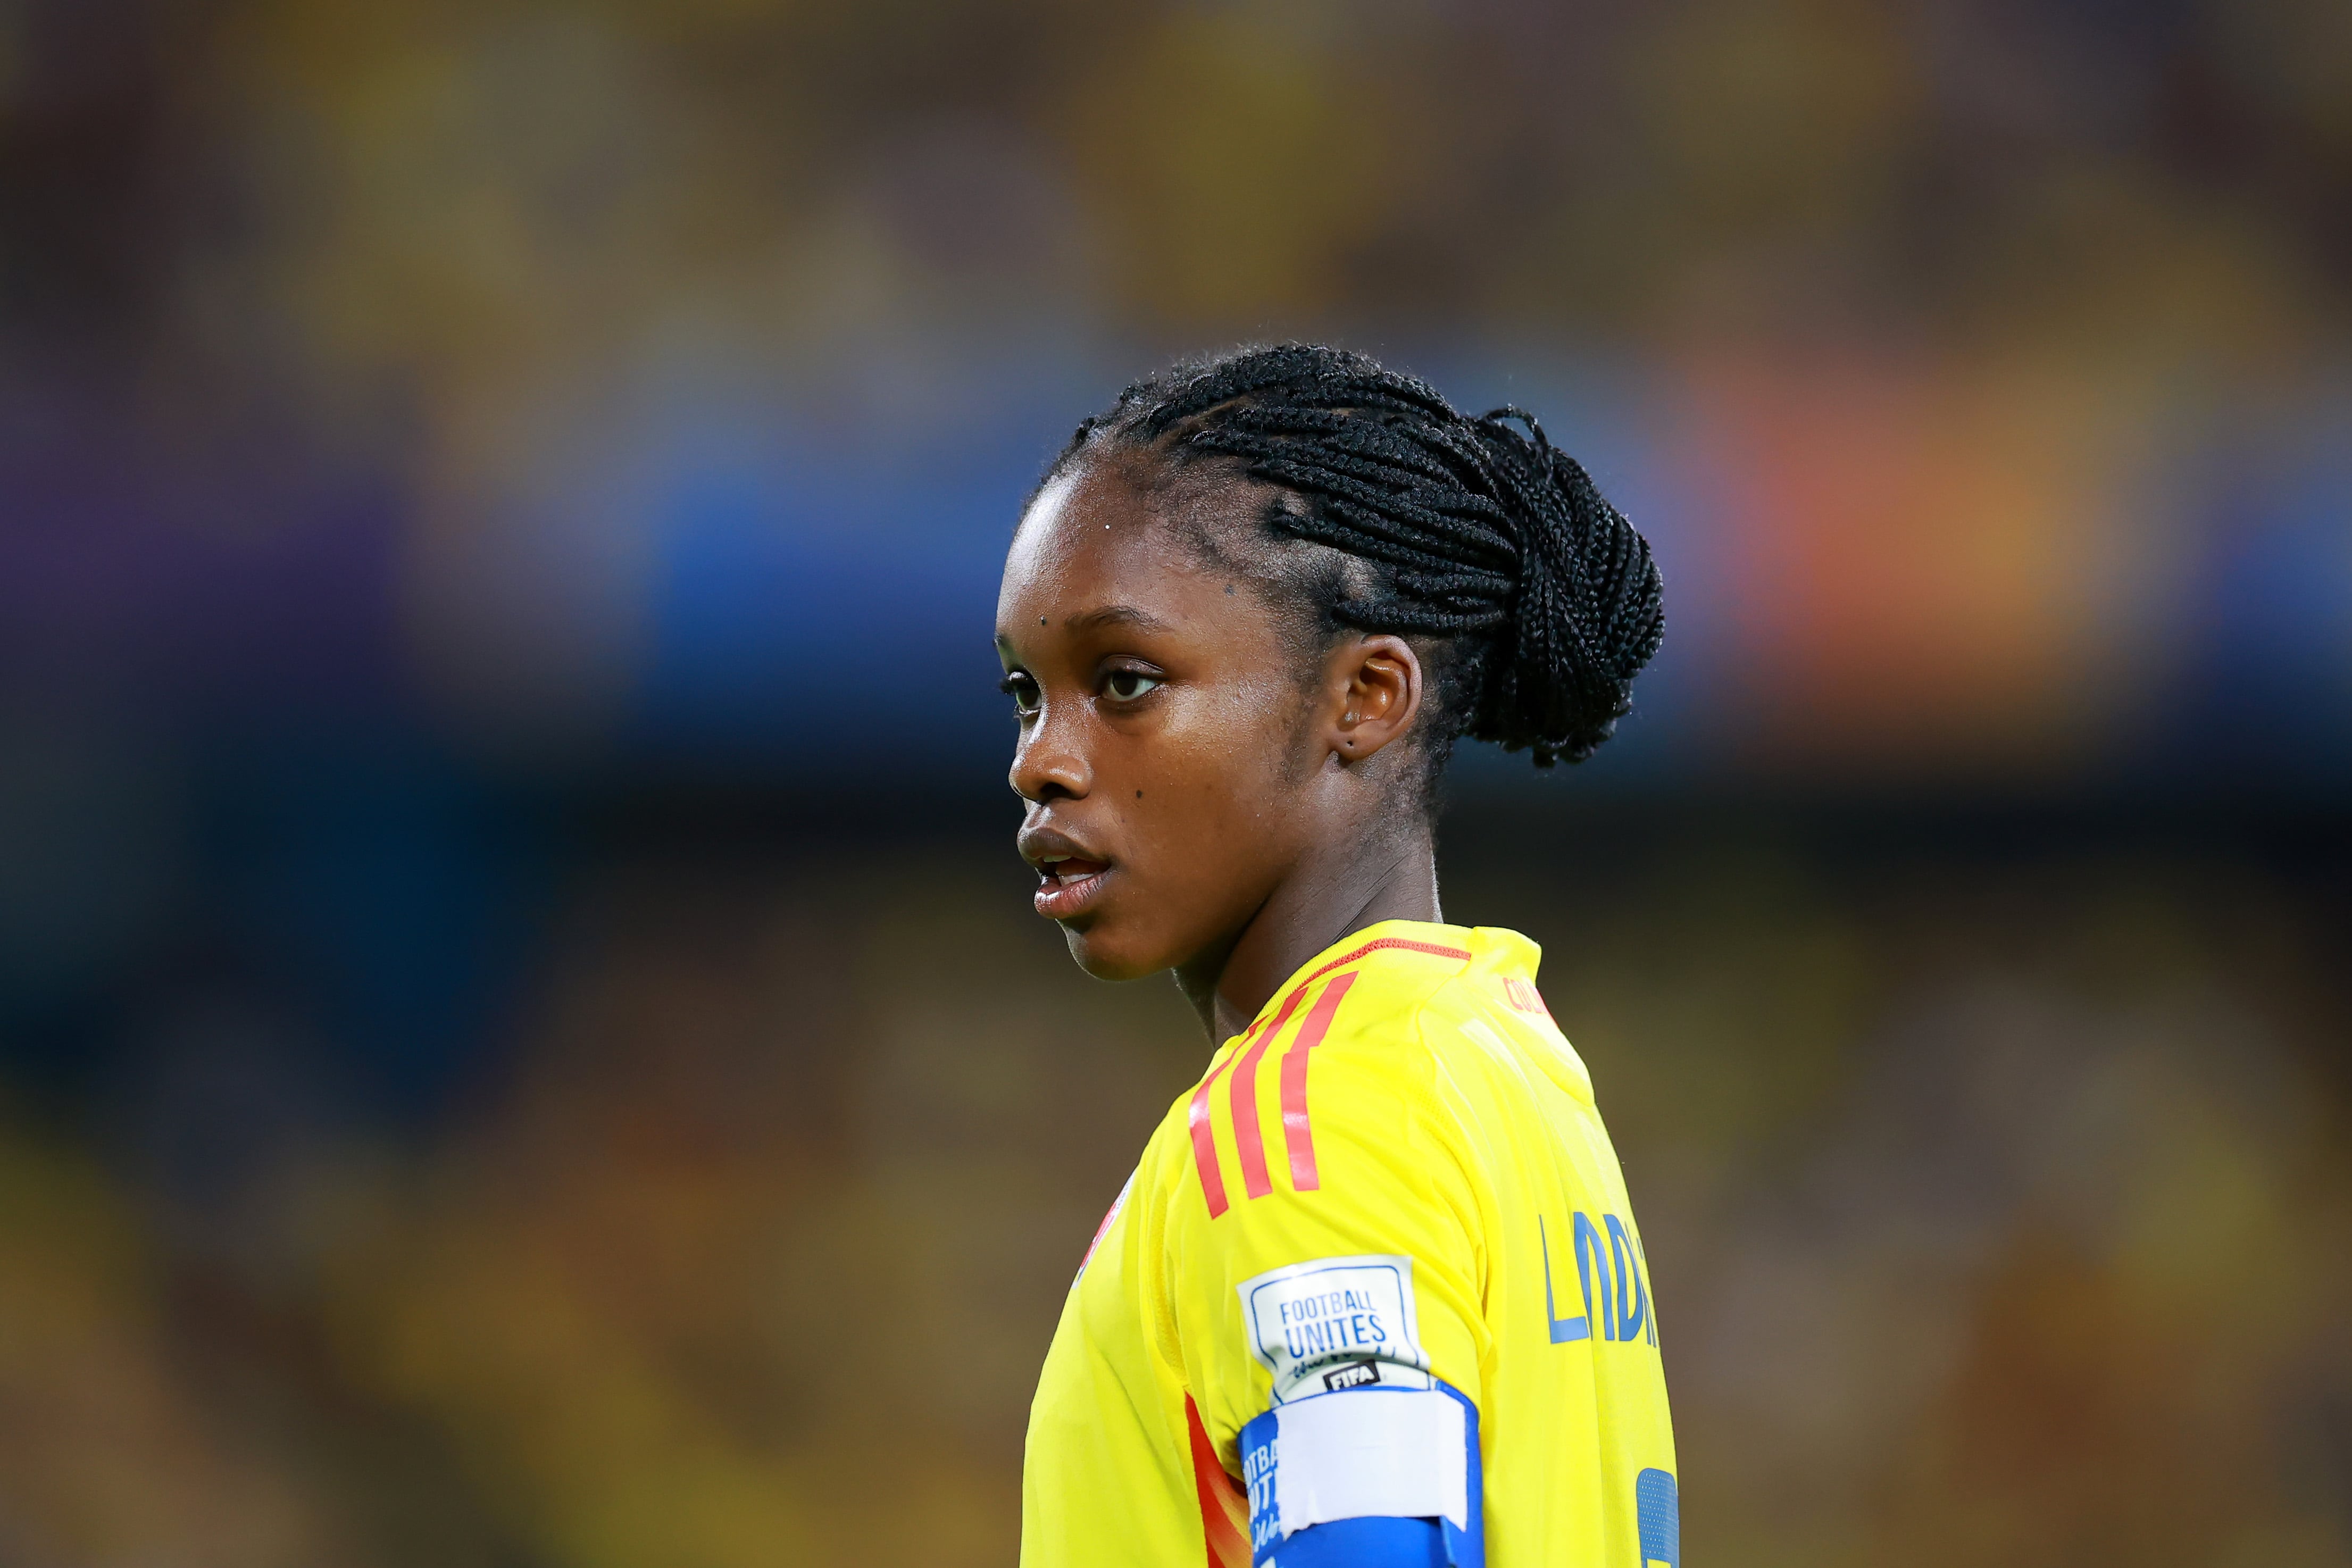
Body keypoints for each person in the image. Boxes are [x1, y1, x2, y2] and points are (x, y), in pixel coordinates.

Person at [1000, 345, 1674, 1568]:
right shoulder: (1502, 1064)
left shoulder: (1306, 1121)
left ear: (1364, 696)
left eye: (1125, 681)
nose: (1040, 759)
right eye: (1026, 694)